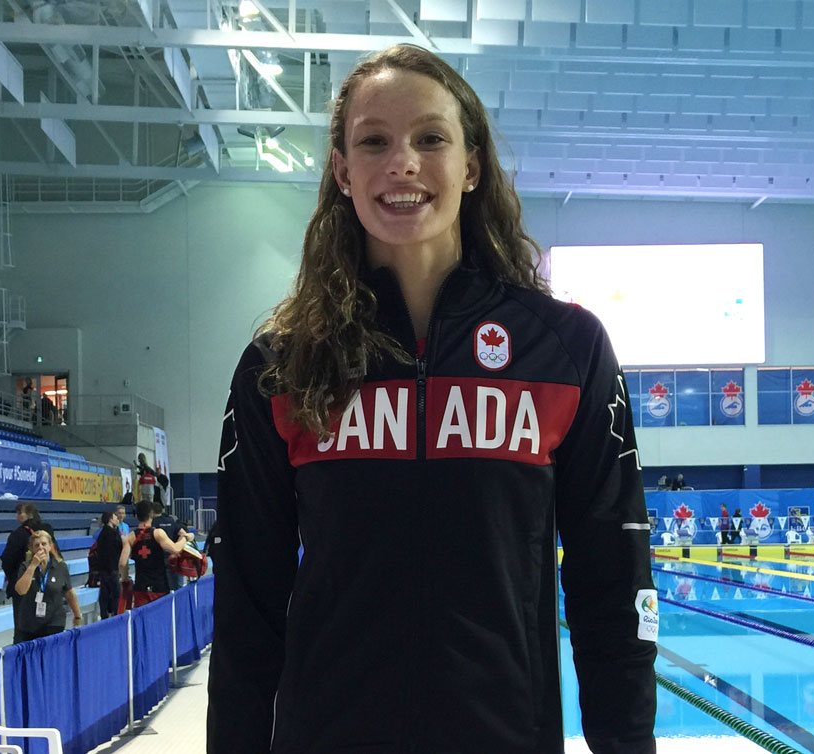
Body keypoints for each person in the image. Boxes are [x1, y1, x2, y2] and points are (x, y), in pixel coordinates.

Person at [207, 44, 656, 754]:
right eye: (374, 142)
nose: (402, 163)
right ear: (342, 171)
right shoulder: (282, 364)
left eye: (430, 138)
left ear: (471, 166)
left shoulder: (564, 350)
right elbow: (246, 606)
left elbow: (613, 579)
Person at [12, 529, 82, 642]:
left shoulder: (61, 567)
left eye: (44, 544)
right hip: (29, 624)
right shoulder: (25, 566)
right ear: (31, 549)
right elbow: (21, 590)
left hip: (54, 623)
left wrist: (77, 615)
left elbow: (69, 593)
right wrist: (33, 565)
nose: (40, 547)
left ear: (50, 546)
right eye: (36, 545)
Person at [121, 500, 190, 608]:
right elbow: (175, 549)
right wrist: (185, 538)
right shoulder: (158, 533)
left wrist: (125, 578)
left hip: (141, 587)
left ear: (136, 516)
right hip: (159, 586)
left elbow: (122, 563)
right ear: (151, 515)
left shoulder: (130, 537)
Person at [1, 502, 57, 600]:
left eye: (19, 513)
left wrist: (14, 580)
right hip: (49, 581)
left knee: (24, 614)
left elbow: (7, 560)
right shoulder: (48, 529)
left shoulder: (18, 534)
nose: (17, 516)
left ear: (30, 514)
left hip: (24, 583)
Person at [92, 510, 125, 619]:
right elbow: (118, 548)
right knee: (115, 595)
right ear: (110, 519)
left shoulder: (103, 533)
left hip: (105, 570)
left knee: (105, 595)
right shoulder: (112, 533)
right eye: (115, 517)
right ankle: (116, 616)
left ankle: (105, 616)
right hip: (112, 570)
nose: (117, 519)